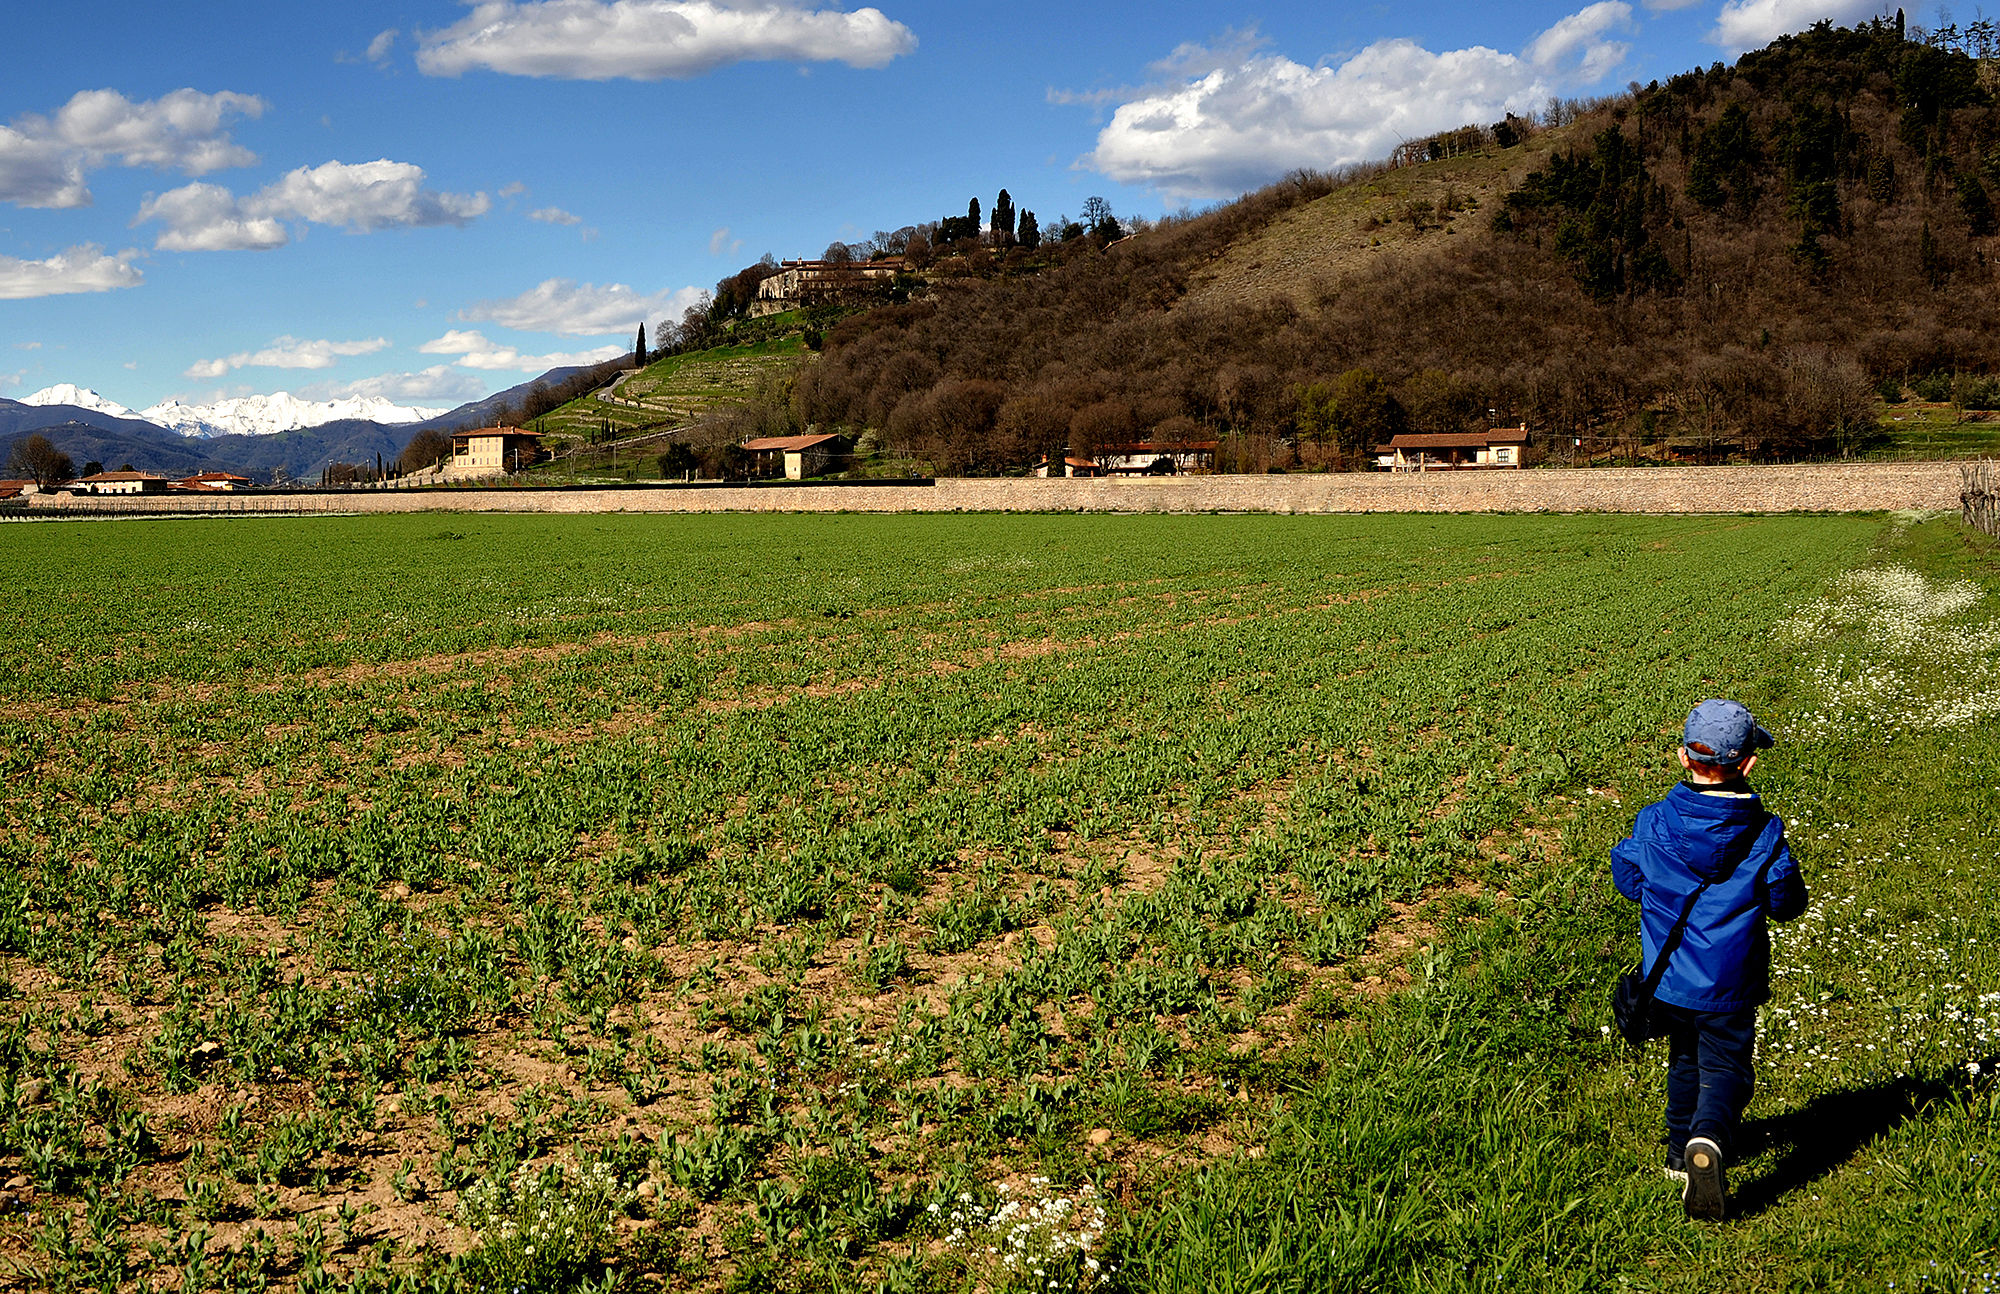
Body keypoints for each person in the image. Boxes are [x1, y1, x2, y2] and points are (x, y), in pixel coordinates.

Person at [1611, 699, 1808, 1220]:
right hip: (1730, 980)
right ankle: (1710, 1140)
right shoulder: (1764, 832)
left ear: (1683, 757)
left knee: (1683, 1056)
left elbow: (1629, 881)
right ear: (1747, 763)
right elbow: (1786, 903)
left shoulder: (1652, 822)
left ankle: (1680, 1155)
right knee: (1726, 1068)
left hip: (1671, 977)